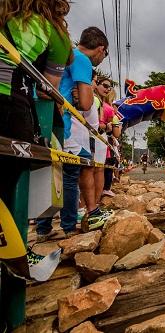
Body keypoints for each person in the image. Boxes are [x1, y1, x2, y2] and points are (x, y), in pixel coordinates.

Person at [0, 0, 72, 238]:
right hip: (10, 101)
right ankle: (12, 253)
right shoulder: (53, 31)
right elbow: (48, 88)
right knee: (8, 189)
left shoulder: (5, 13)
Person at [37, 26, 110, 240]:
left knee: (52, 172)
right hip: (63, 122)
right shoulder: (82, 60)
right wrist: (81, 96)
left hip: (48, 117)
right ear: (100, 49)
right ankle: (71, 225)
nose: (102, 59)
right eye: (104, 55)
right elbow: (87, 104)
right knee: (73, 170)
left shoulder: (67, 52)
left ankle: (43, 227)